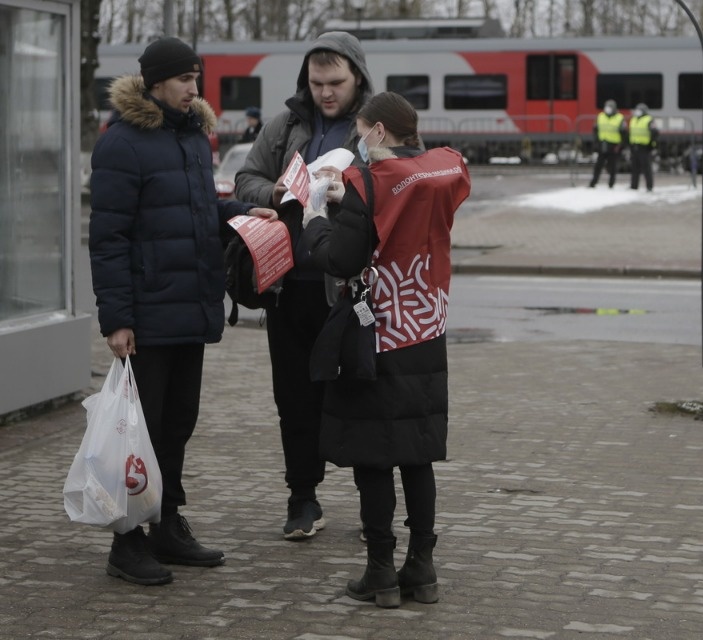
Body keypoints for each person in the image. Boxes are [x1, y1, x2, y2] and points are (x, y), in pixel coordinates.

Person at [88, 36, 277, 586]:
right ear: (154, 83)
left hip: (189, 309)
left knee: (177, 425)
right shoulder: (121, 144)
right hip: (146, 315)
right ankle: (126, 542)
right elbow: (109, 239)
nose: (195, 89)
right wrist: (117, 319)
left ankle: (166, 525)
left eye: (197, 78)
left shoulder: (193, 136)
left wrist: (250, 212)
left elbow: (200, 207)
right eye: (184, 79)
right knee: (137, 433)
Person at [299, 92, 471, 608]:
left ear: (377, 131)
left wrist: (316, 220)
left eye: (360, 130)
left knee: (374, 455)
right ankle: (422, 566)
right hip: (427, 326)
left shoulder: (367, 183)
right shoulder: (441, 168)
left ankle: (380, 572)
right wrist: (347, 206)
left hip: (377, 334)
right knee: (417, 454)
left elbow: (344, 258)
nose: (357, 139)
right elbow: (399, 215)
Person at [233, 32, 374, 541]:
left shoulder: (374, 129)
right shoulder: (287, 125)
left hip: (351, 290)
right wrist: (274, 189)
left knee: (360, 394)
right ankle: (302, 499)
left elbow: (406, 185)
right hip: (289, 287)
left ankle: (371, 506)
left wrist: (352, 191)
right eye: (317, 83)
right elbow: (244, 178)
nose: (326, 92)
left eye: (336, 82)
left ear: (357, 76)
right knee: (293, 398)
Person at [588, 99, 626, 189]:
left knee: (612, 167)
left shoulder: (619, 118)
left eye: (610, 107)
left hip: (614, 146)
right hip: (602, 144)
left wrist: (620, 146)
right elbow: (595, 130)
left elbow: (624, 134)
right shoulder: (600, 116)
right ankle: (593, 183)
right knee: (598, 166)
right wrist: (596, 143)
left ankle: (611, 184)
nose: (608, 109)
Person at [629, 103, 658, 191]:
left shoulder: (649, 120)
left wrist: (651, 145)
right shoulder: (633, 119)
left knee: (646, 168)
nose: (637, 112)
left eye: (639, 110)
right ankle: (634, 186)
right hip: (635, 146)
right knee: (635, 168)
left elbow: (655, 133)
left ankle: (649, 186)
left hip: (644, 147)